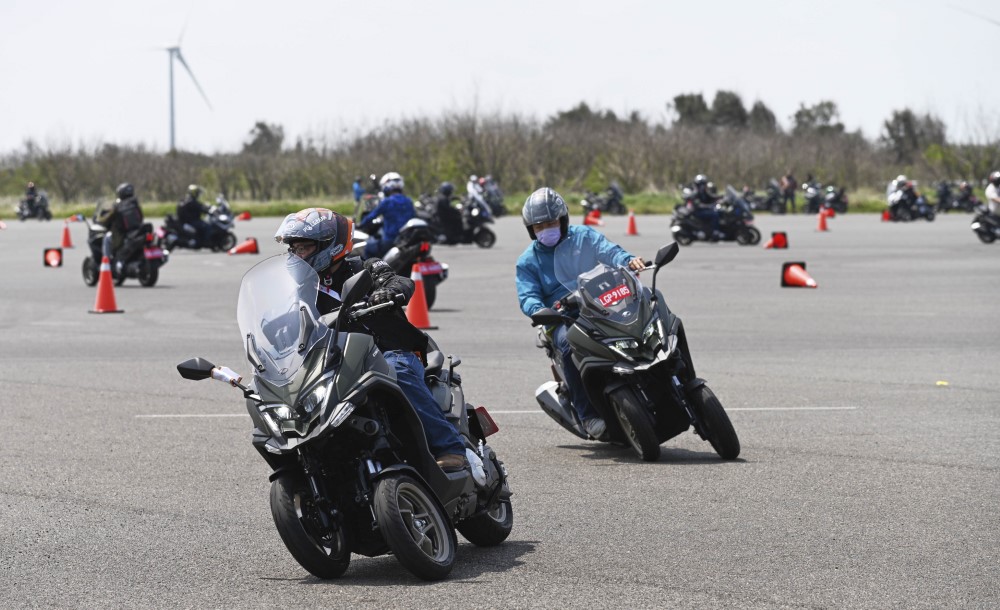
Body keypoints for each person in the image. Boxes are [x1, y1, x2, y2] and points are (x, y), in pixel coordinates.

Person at [274, 207, 466, 471]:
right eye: (294, 248)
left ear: (330, 245)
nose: (297, 254)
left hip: (389, 350)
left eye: (304, 247)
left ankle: (450, 448)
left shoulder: (364, 267)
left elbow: (399, 281)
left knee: (398, 372)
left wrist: (387, 292)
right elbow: (284, 314)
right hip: (336, 359)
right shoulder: (301, 287)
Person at [515, 187, 646, 440]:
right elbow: (527, 296)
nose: (546, 229)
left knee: (639, 317)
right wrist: (540, 310)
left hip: (601, 303)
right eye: (539, 226)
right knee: (567, 344)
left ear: (563, 220)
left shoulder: (584, 236)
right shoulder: (527, 261)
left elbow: (610, 252)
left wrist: (628, 261)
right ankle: (588, 416)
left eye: (551, 223)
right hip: (561, 318)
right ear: (531, 229)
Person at [360, 172, 415, 258]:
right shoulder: (409, 201)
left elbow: (371, 216)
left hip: (390, 240)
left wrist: (361, 224)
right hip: (405, 240)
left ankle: (371, 267)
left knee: (369, 248)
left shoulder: (387, 202)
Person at [95, 182, 145, 271]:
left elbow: (108, 219)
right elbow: (141, 217)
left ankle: (106, 263)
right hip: (137, 232)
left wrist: (99, 221)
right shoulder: (135, 204)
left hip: (123, 235)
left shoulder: (118, 206)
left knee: (107, 238)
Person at [689, 174, 724, 240]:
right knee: (714, 215)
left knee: (720, 212)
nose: (703, 185)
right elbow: (698, 204)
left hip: (703, 209)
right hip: (698, 211)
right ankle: (715, 232)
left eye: (704, 184)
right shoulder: (695, 193)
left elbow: (710, 196)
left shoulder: (703, 191)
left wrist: (720, 197)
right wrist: (709, 206)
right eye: (702, 184)